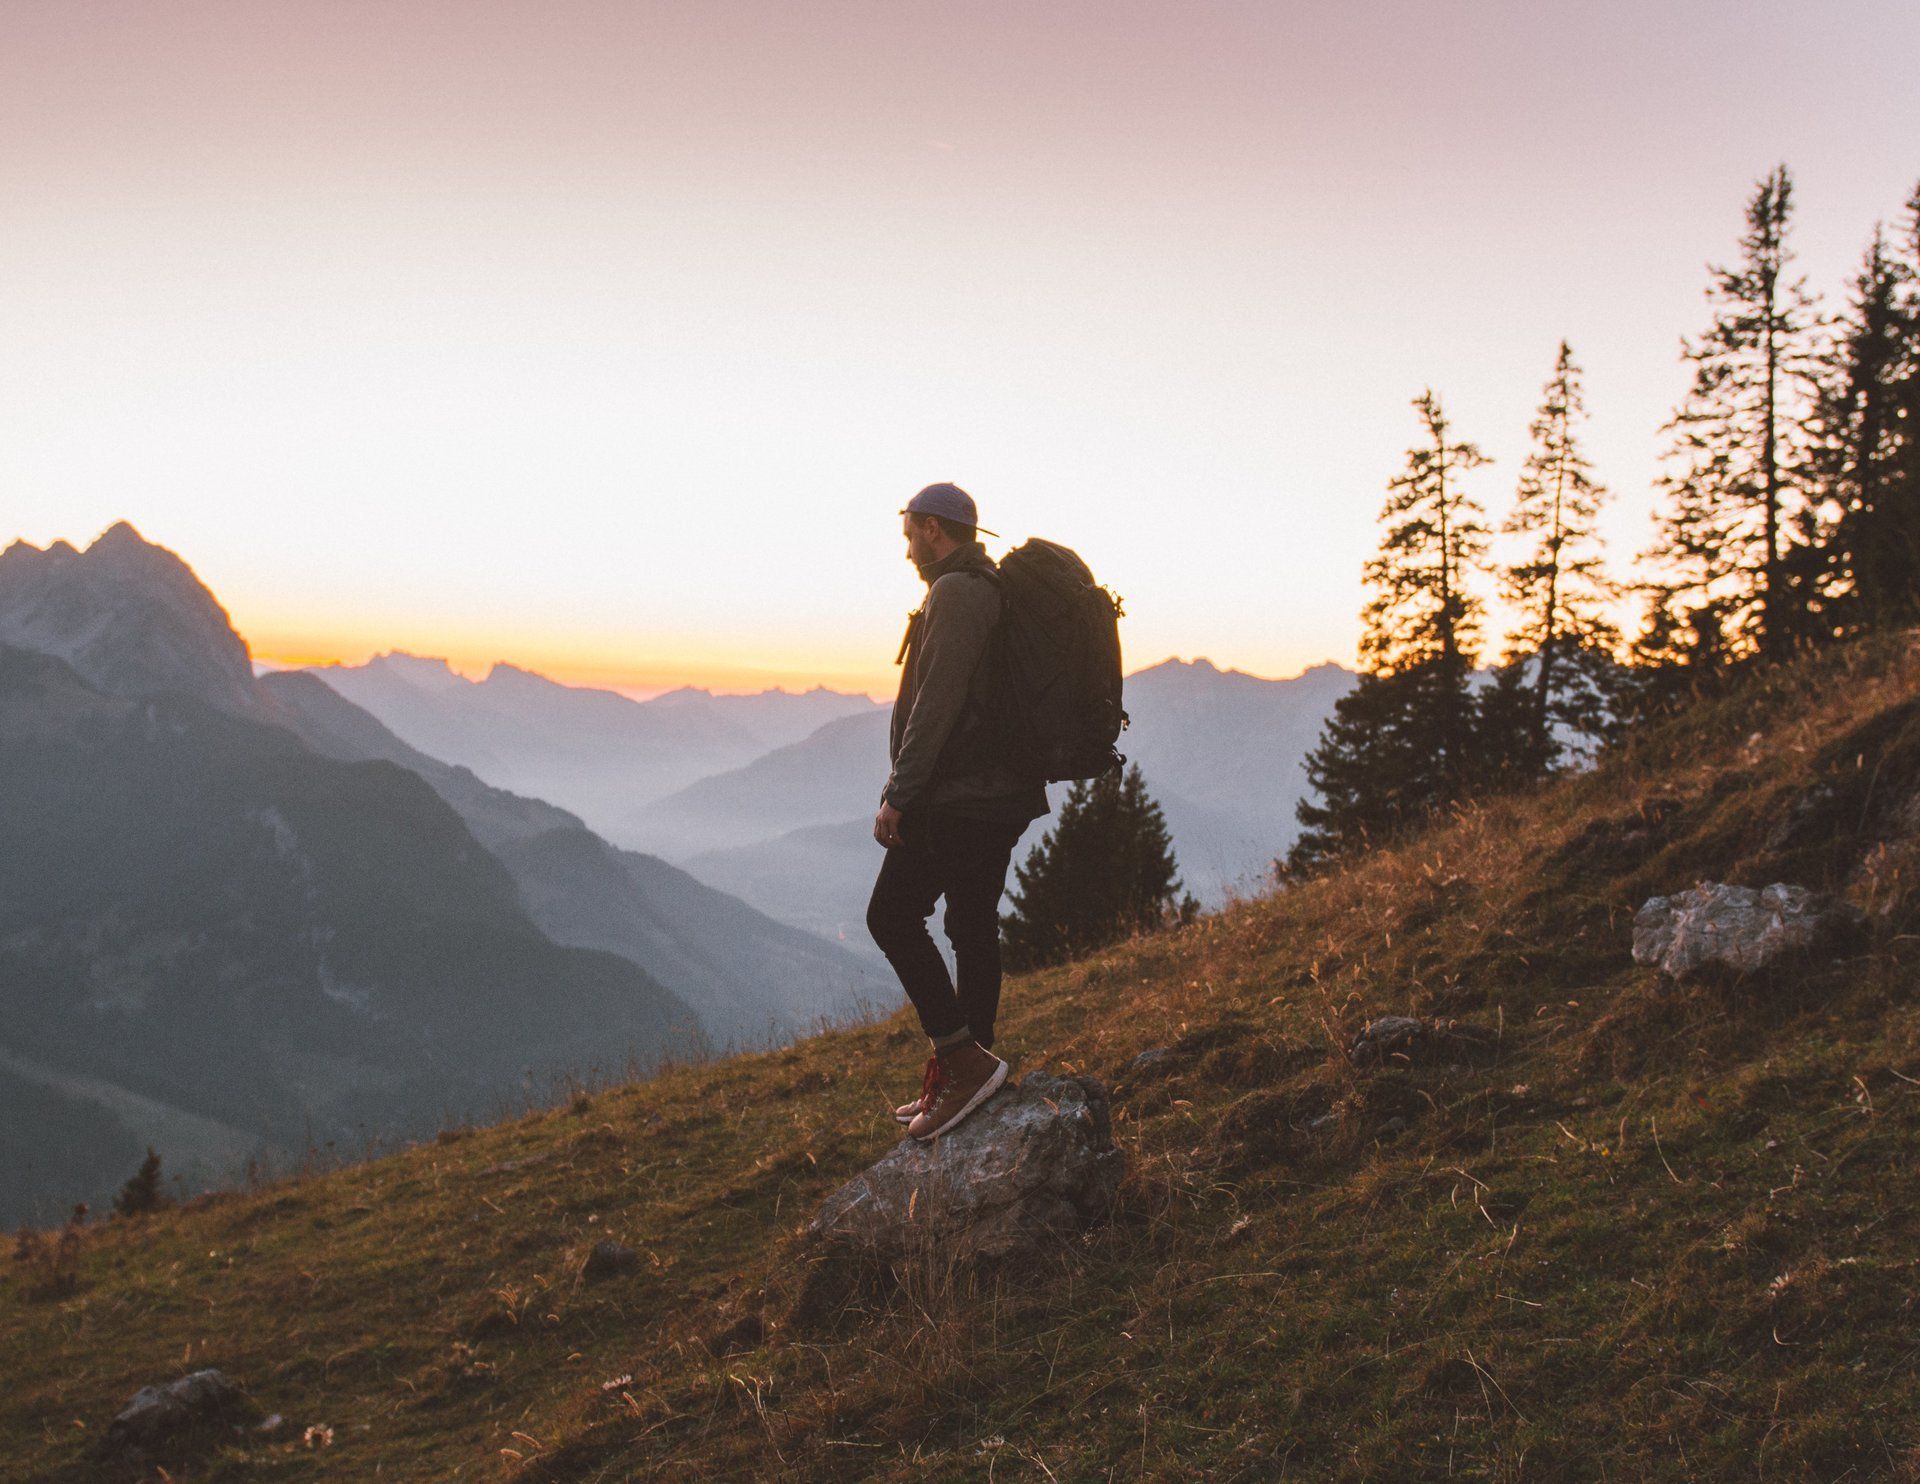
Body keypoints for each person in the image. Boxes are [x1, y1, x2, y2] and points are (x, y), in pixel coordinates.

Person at [867, 482, 1049, 1140]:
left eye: (911, 533)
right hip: (1001, 793)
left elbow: (936, 705)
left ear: (935, 531)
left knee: (890, 915)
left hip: (963, 796)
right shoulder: (987, 588)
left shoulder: (957, 593)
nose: (907, 547)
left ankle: (961, 1058)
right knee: (971, 923)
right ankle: (977, 1071)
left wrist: (900, 794)